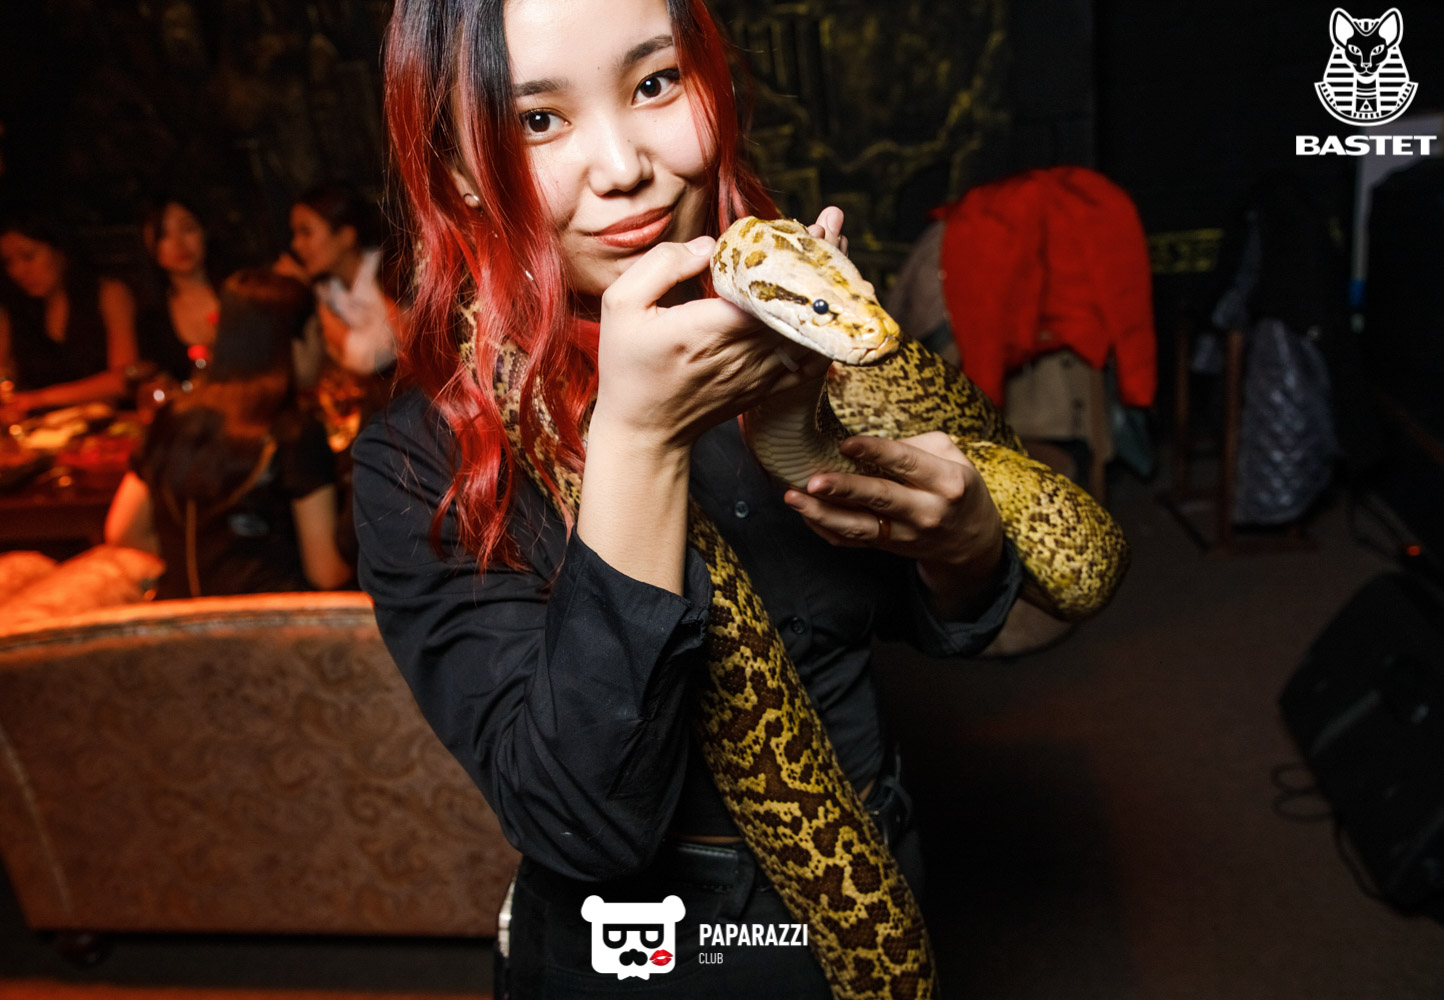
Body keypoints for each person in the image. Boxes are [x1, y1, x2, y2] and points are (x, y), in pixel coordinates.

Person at [357, 1, 1023, 996]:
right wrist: (641, 440)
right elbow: (582, 820)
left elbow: (909, 619)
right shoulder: (417, 463)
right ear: (458, 172)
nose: (622, 166)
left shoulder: (797, 320)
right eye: (536, 120)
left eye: (655, 82)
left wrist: (965, 546)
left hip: (887, 852)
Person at [104, 268, 352, 598]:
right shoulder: (294, 431)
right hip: (266, 619)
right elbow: (326, 573)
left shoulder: (173, 417)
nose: (324, 349)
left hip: (179, 615)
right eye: (317, 333)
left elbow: (122, 531)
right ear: (291, 344)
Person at [0, 215, 139, 415]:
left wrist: (39, 399)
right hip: (44, 427)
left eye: (28, 256)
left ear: (61, 250)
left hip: (108, 420)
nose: (18, 271)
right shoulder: (16, 309)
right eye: (9, 262)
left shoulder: (108, 293)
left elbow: (123, 378)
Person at [286, 182, 401, 377]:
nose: (296, 245)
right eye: (295, 234)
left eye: (306, 232)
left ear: (346, 235)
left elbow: (376, 357)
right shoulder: (328, 288)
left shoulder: (391, 274)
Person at [138, 196, 222, 385]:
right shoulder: (152, 320)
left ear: (204, 231)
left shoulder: (242, 293)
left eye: (188, 228)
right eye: (164, 235)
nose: (179, 243)